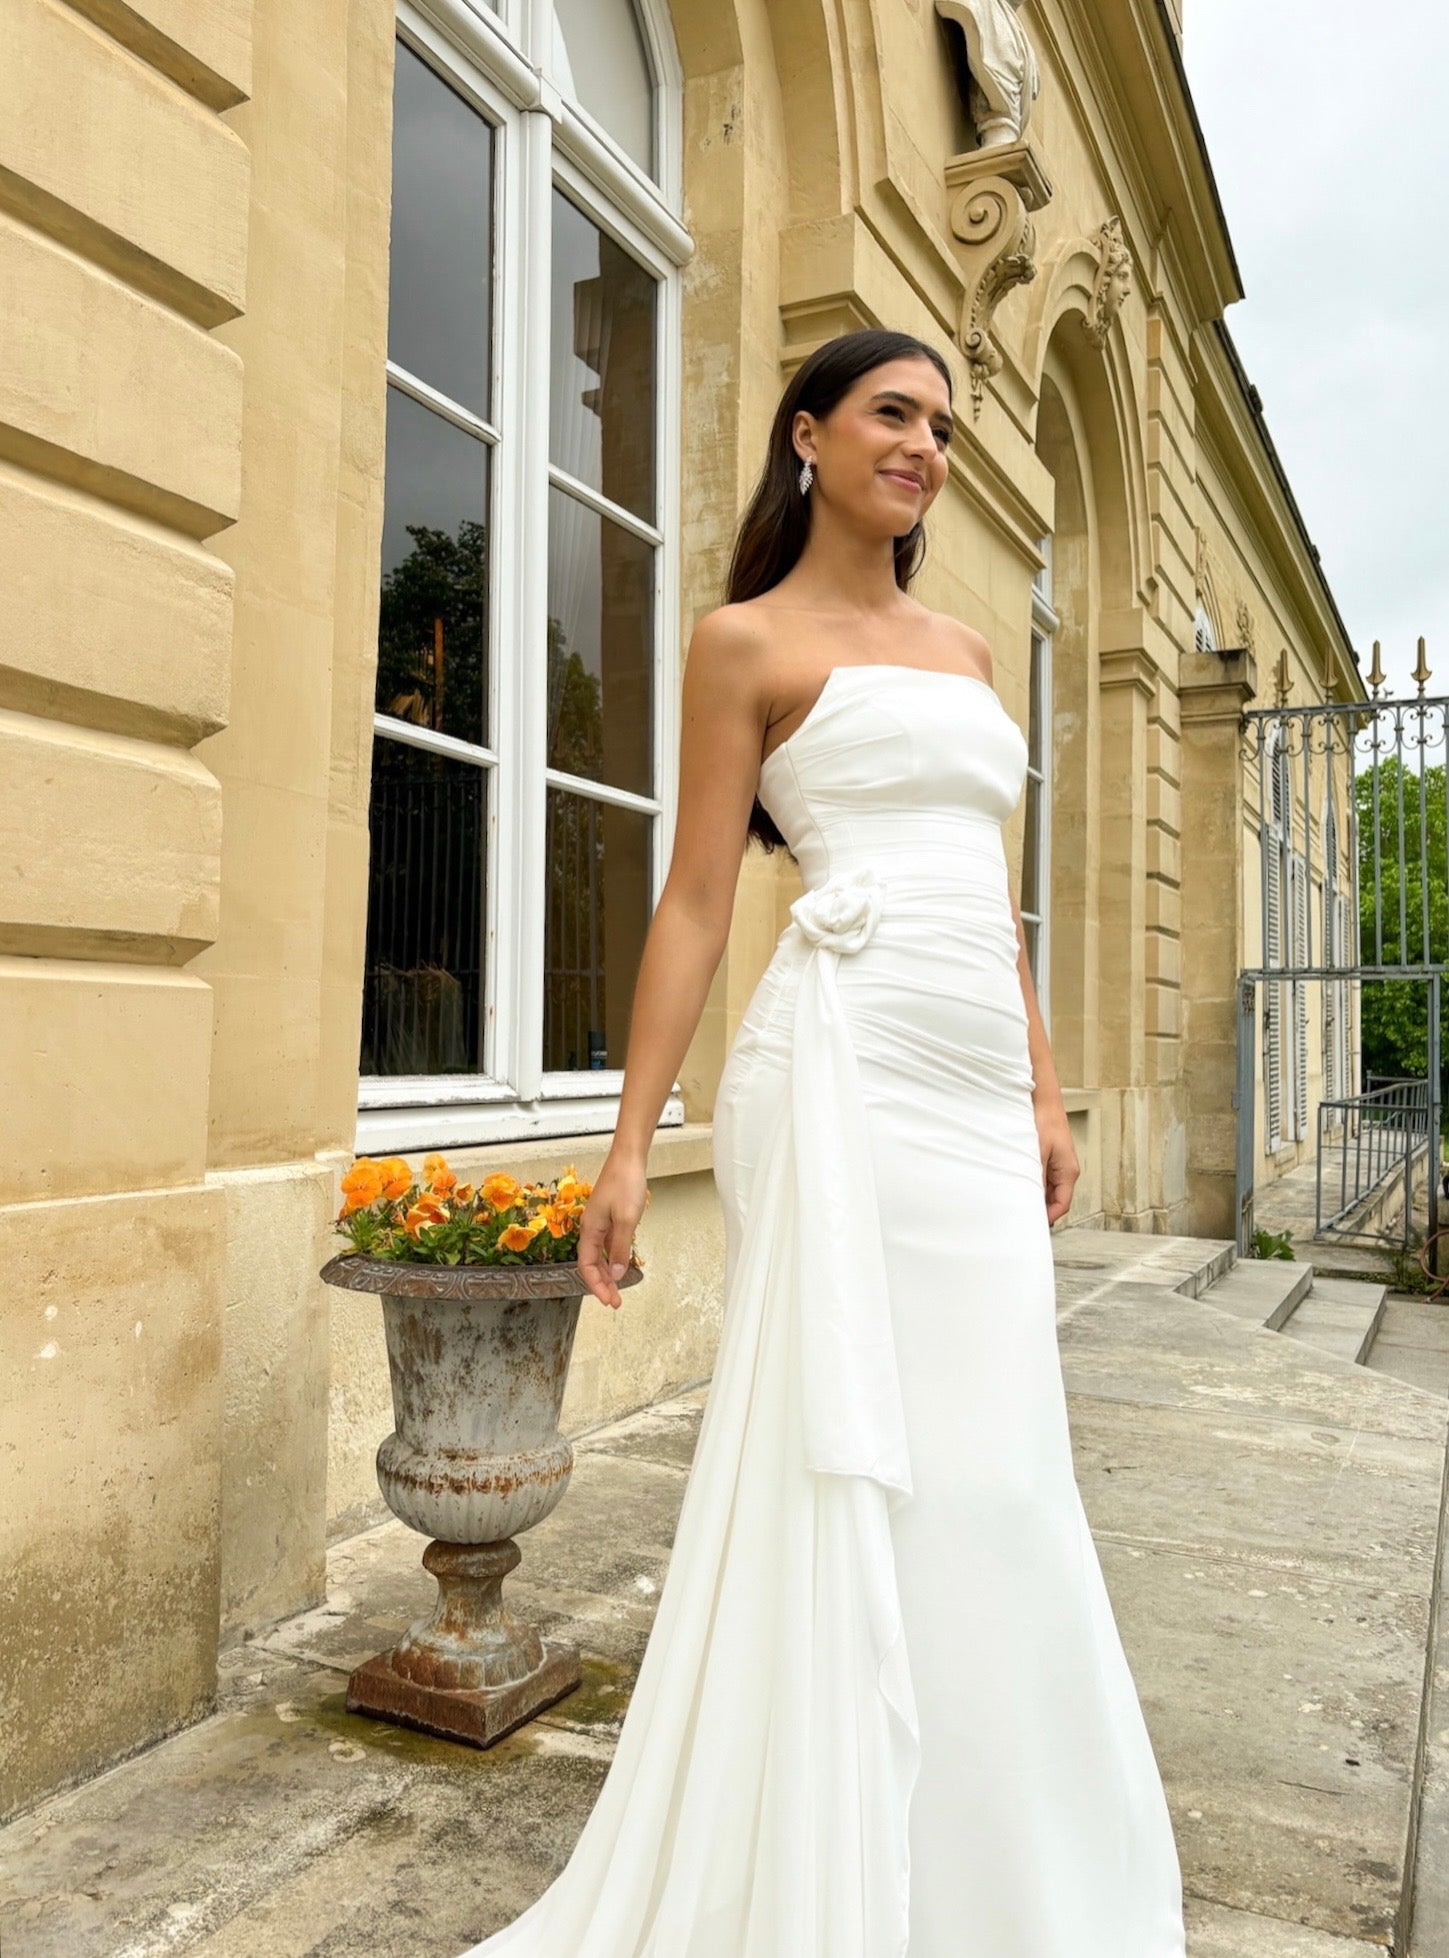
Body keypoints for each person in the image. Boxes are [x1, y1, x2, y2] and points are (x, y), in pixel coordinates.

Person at [458, 326, 1187, 1956]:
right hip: (837, 1066)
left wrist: (1044, 1088)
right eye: (889, 412)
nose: (922, 443)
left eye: (938, 421)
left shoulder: (971, 652)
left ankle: (1000, 1867)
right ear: (808, 435)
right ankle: (824, 1850)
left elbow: (991, 901)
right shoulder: (740, 642)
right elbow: (698, 901)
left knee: (996, 1459)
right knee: (848, 1441)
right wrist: (633, 1145)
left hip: (962, 1066)